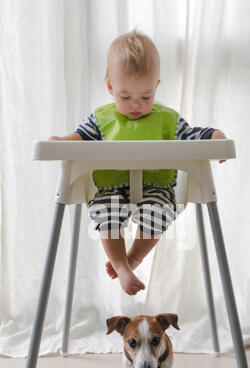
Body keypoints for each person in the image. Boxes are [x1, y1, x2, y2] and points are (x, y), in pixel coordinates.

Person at [49, 30, 226, 296]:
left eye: (145, 96)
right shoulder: (100, 119)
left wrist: (215, 136)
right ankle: (120, 266)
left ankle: (134, 257)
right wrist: (61, 141)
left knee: (157, 212)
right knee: (106, 212)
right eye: (125, 96)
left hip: (158, 187)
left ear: (156, 85)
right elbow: (80, 138)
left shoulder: (168, 119)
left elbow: (192, 134)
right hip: (110, 188)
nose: (136, 104)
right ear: (110, 87)